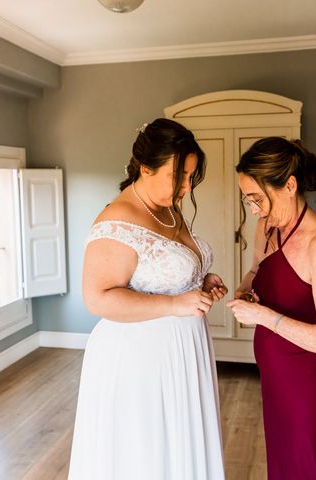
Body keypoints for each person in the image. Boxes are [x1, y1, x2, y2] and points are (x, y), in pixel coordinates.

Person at [68, 118, 228, 480]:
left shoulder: (168, 207)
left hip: (184, 350)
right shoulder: (119, 219)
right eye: (180, 177)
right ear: (145, 168)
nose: (187, 188)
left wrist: (201, 280)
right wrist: (175, 305)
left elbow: (167, 272)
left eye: (190, 177)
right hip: (140, 361)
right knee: (147, 456)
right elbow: (98, 298)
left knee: (181, 448)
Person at [226, 137, 316, 480]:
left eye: (257, 199)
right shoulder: (267, 225)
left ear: (289, 185)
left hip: (305, 382)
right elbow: (256, 269)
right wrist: (245, 287)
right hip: (274, 372)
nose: (253, 210)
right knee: (281, 461)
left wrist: (262, 316)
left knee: (305, 463)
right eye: (247, 199)